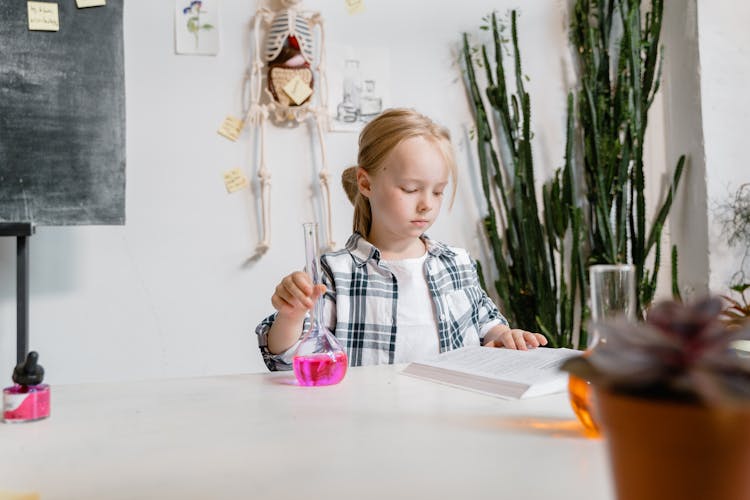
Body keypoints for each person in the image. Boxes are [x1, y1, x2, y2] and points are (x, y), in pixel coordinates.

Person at [255, 108, 547, 370]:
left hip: (452, 419)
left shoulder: (457, 263)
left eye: (438, 191)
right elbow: (286, 360)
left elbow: (488, 325)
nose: (426, 205)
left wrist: (505, 337)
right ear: (366, 183)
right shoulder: (334, 274)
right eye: (410, 189)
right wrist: (291, 316)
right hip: (369, 424)